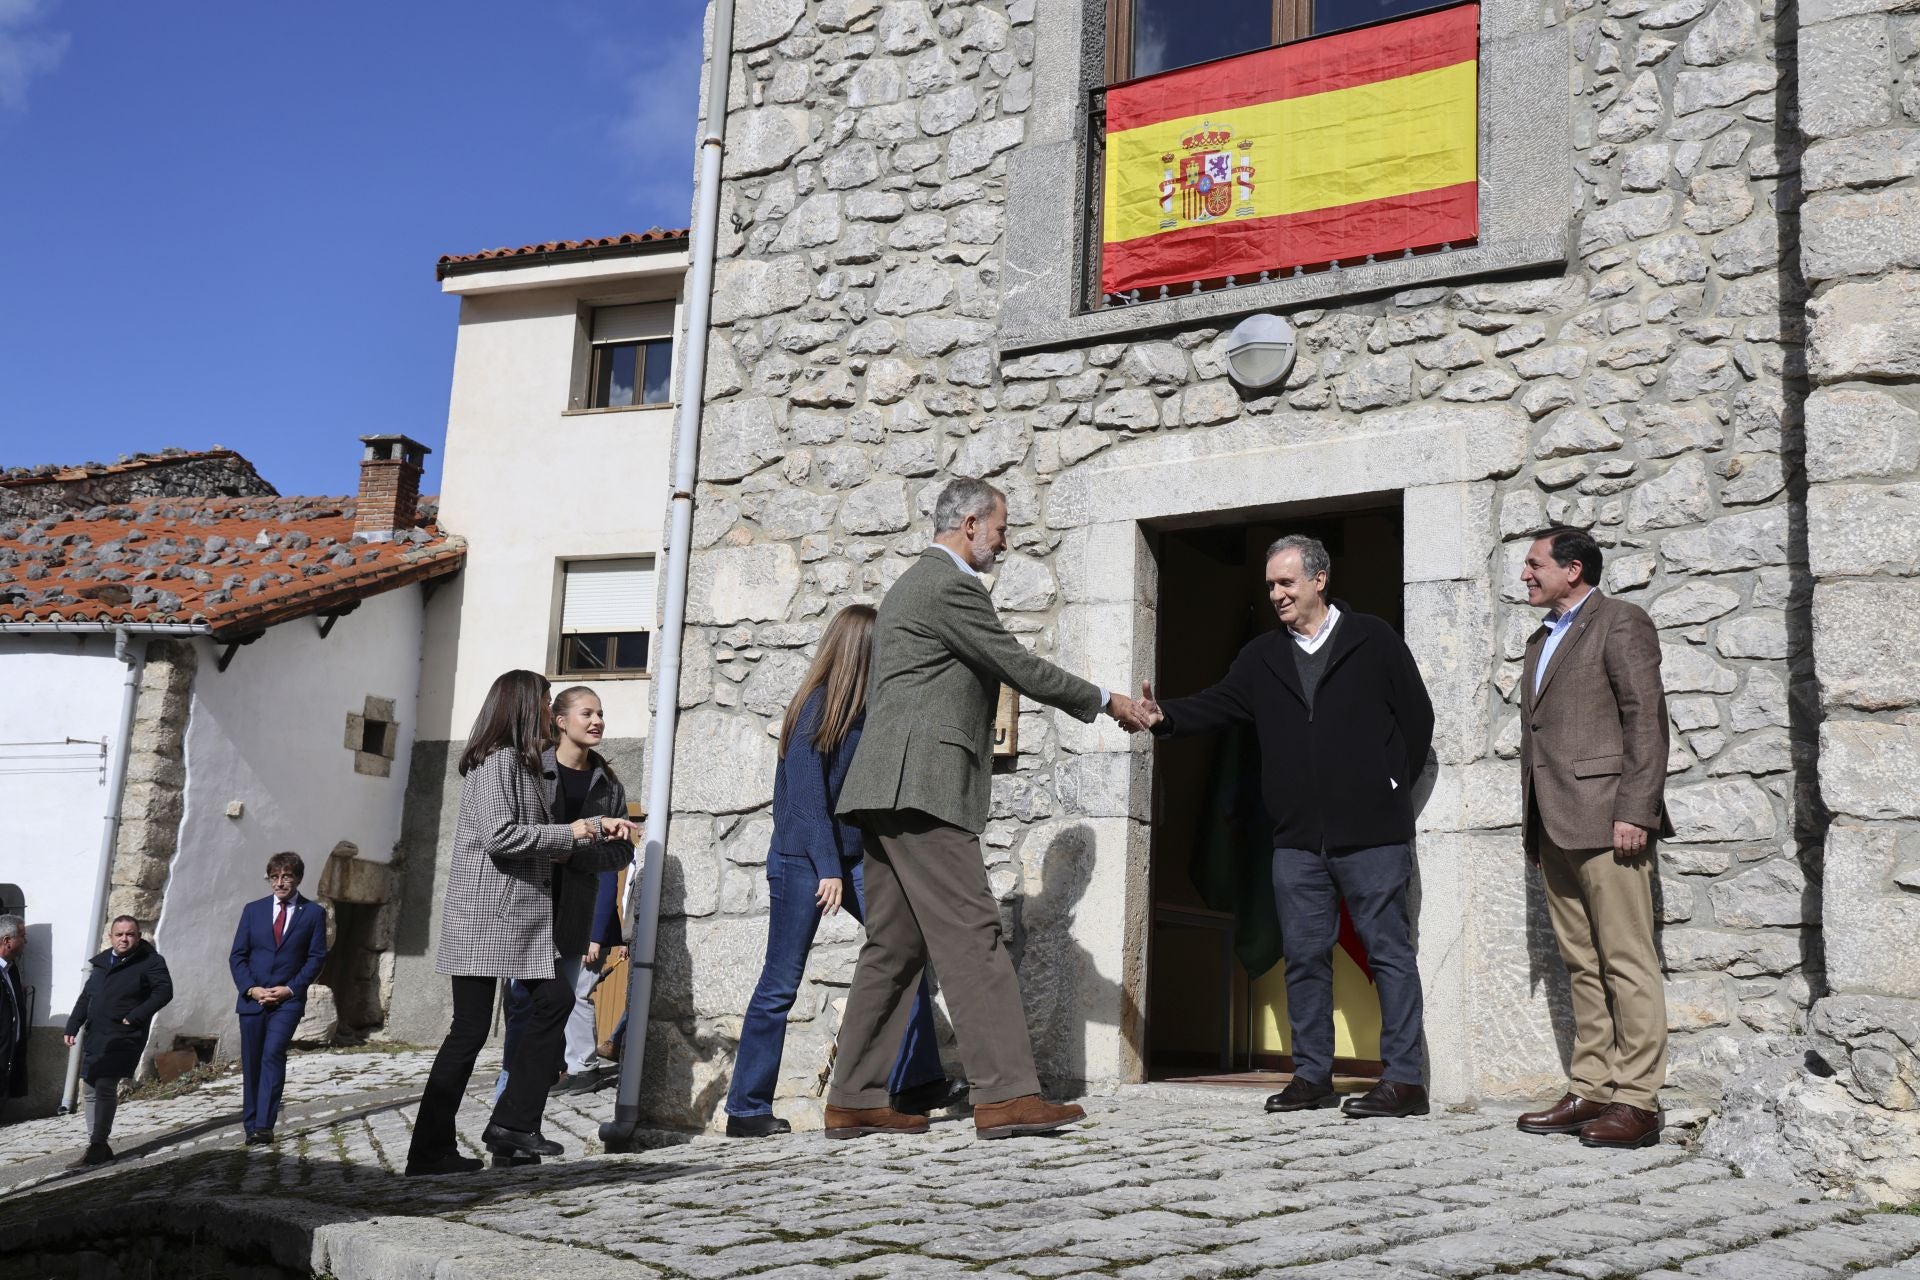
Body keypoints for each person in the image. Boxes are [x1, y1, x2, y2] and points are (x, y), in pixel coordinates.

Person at [824, 477, 1144, 1141]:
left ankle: (854, 1096)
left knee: (895, 946)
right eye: (1001, 527)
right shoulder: (948, 584)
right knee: (974, 936)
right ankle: (1005, 1096)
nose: (1005, 540)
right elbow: (1015, 664)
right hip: (923, 788)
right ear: (970, 523)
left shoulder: (913, 585)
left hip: (888, 790)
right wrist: (1108, 700)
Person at [1136, 534, 1435, 1120]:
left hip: (1373, 834)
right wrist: (1164, 715)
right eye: (1270, 584)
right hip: (1296, 840)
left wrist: (1389, 785)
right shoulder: (1261, 656)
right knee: (1303, 958)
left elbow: (1417, 716)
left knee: (1389, 953)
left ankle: (1404, 1080)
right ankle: (1311, 1075)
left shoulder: (1373, 638)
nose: (1275, 593)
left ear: (1319, 581)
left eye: (1286, 582)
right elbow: (1220, 703)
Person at [727, 605, 960, 1139]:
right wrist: (828, 870)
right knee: (780, 984)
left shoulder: (872, 711)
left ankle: (918, 1082)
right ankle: (746, 1109)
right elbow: (809, 803)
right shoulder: (814, 709)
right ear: (862, 651)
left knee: (903, 948)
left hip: (855, 857)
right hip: (802, 860)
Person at [406, 670, 635, 1177]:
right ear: (526, 706)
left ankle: (508, 1124)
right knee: (469, 1031)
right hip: (487, 914)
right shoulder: (498, 761)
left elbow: (589, 846)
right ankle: (434, 1148)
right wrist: (581, 830)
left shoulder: (523, 763)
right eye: (548, 701)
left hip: (518, 914)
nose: (552, 711)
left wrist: (583, 841)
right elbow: (500, 836)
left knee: (550, 1001)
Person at [1514, 526, 1673, 1150]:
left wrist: (1637, 809)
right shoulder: (1540, 639)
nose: (1525, 575)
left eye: (1534, 564)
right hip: (1554, 823)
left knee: (1627, 960)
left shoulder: (1621, 622)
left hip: (1611, 820)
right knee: (1580, 962)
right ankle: (1593, 1086)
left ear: (1573, 569)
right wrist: (1532, 824)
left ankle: (1639, 1101)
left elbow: (1646, 718)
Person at [491, 685, 630, 1134]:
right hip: (525, 906)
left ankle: (522, 1124)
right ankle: (506, 1110)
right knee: (522, 1009)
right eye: (587, 713)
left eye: (601, 714)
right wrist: (562, 841)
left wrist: (574, 855)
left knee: (556, 1011)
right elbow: (512, 837)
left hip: (572, 913)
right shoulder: (530, 770)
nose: (597, 721)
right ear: (560, 720)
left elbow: (620, 855)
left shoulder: (607, 783)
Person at [230, 851, 328, 1145]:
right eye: (274, 877)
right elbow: (238, 956)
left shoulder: (312, 914)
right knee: (252, 1060)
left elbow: (315, 958)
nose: (280, 882)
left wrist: (290, 989)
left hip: (287, 1000)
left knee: (273, 1052)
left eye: (286, 876)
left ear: (297, 878)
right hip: (252, 999)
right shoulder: (253, 911)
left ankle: (264, 1125)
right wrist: (250, 988)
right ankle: (250, 1124)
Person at [62, 916, 173, 1167]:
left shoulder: (150, 961)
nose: (124, 939)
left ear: (138, 936)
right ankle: (97, 1144)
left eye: (130, 934)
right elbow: (86, 996)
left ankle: (98, 1145)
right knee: (89, 1088)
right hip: (97, 1034)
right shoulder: (102, 963)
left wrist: (135, 1016)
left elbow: (164, 991)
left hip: (124, 1034)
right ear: (111, 937)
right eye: (119, 934)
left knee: (104, 1086)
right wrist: (73, 1024)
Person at [0, 914, 29, 1118]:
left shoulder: (11, 970)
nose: (25, 941)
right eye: (22, 935)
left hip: (8, 1053)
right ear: (7, 941)